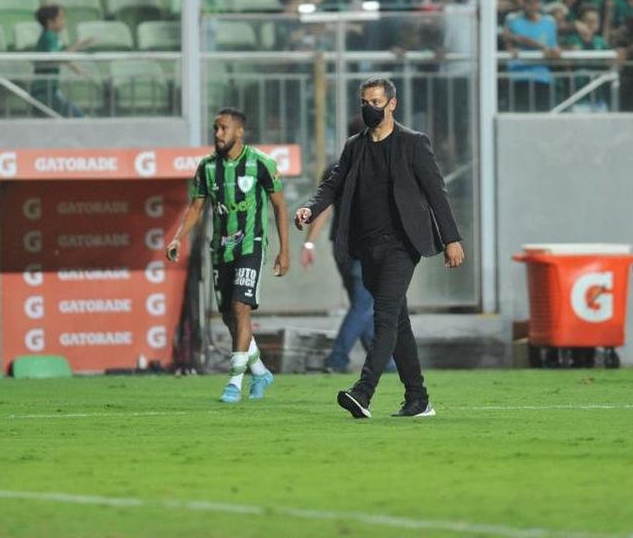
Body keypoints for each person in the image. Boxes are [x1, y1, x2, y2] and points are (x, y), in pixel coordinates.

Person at [295, 78, 465, 419]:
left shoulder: (414, 144)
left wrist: (451, 239)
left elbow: (436, 194)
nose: (369, 107)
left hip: (402, 246)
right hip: (365, 246)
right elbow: (332, 185)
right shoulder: (354, 146)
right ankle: (418, 399)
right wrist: (310, 209)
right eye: (364, 102)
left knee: (383, 315)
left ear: (391, 104)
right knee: (398, 322)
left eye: (375, 101)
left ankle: (363, 392)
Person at [167, 107, 289, 404]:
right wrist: (177, 238)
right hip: (221, 249)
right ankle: (260, 371)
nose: (217, 134)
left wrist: (284, 250)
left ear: (239, 131)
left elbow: (279, 207)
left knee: (240, 308)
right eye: (215, 128)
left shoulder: (261, 163)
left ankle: (234, 382)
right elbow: (196, 208)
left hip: (251, 245)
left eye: (223, 128)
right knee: (229, 317)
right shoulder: (207, 168)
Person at [301, 118, 397, 373]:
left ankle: (383, 363)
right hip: (366, 248)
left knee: (362, 303)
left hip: (341, 247)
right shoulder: (376, 165)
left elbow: (322, 207)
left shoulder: (336, 167)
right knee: (364, 305)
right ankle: (337, 359)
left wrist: (309, 243)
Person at [29, 4, 95, 118]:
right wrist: (79, 45)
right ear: (50, 22)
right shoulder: (48, 37)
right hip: (43, 90)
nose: (64, 21)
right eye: (61, 18)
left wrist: (77, 69)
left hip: (51, 89)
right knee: (77, 116)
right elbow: (59, 57)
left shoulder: (54, 37)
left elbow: (63, 57)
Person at [501, 0, 559, 111]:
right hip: (518, 78)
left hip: (542, 78)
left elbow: (554, 49)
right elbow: (508, 40)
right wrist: (542, 47)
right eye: (528, 2)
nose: (531, 6)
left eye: (535, 2)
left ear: (540, 3)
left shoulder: (549, 23)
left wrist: (552, 52)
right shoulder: (512, 20)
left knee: (542, 119)